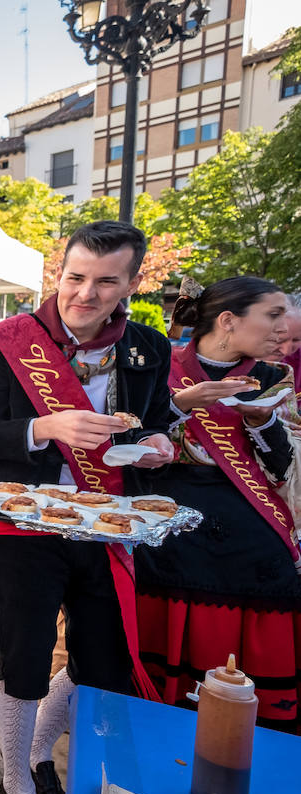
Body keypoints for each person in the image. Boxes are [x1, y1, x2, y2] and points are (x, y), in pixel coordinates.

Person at [0, 221, 176, 794]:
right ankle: (16, 784)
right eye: (75, 277)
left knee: (98, 659)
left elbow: (157, 419)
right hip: (26, 522)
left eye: (105, 282)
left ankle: (37, 752)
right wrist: (45, 426)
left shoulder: (147, 348)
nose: (85, 293)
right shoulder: (2, 345)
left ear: (132, 283)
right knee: (22, 656)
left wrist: (160, 445)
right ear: (60, 271)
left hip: (106, 526)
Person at [135, 276, 301, 730]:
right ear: (228, 321)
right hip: (169, 509)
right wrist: (180, 407)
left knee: (275, 568)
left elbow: (286, 465)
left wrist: (264, 421)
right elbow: (128, 441)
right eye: (272, 315)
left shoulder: (272, 378)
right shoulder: (159, 366)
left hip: (247, 512)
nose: (282, 328)